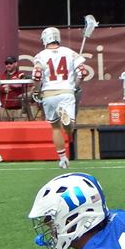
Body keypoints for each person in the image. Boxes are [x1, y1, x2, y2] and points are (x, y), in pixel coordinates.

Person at [33, 26, 89, 168]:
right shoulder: (69, 52)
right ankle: (67, 122)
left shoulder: (40, 55)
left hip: (49, 94)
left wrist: (37, 90)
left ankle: (62, 158)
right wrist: (75, 86)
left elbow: (36, 76)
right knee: (69, 128)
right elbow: (83, 72)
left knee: (55, 128)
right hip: (66, 92)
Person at [0, 55, 32, 121]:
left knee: (20, 129)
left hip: (18, 108)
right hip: (5, 108)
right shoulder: (2, 76)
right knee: (5, 129)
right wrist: (4, 89)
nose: (8, 65)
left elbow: (21, 84)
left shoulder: (20, 74)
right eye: (6, 63)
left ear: (15, 63)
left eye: (11, 63)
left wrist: (9, 85)